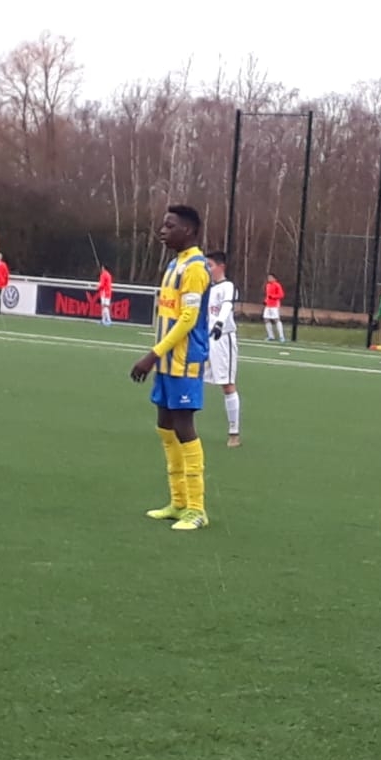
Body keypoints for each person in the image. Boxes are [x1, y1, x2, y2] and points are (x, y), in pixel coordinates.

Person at [130, 205, 211, 531]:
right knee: (165, 426)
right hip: (166, 361)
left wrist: (152, 355)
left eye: (169, 226)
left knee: (184, 428)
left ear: (188, 231)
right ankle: (178, 502)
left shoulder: (195, 268)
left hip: (184, 362)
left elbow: (188, 319)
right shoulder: (173, 264)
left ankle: (197, 509)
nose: (162, 231)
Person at [204, 250, 242, 447]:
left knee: (227, 384)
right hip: (206, 339)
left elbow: (226, 306)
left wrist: (219, 324)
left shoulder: (228, 286)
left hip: (223, 339)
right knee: (192, 377)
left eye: (210, 265)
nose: (207, 269)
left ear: (221, 267)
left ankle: (234, 432)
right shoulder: (207, 288)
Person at [262, 272, 285, 341]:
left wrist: (273, 297)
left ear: (274, 278)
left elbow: (281, 295)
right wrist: (265, 301)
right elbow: (268, 295)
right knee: (266, 319)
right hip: (268, 305)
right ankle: (271, 336)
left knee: (276, 319)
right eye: (268, 277)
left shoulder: (277, 285)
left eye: (270, 277)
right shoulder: (268, 285)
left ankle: (281, 336)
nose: (269, 279)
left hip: (275, 305)